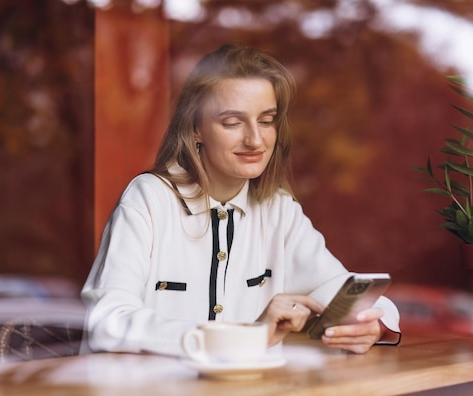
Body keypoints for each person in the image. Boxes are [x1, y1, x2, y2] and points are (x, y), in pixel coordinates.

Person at [81, 42, 401, 358]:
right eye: (233, 122)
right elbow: (107, 320)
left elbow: (344, 291)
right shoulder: (149, 199)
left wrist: (373, 324)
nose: (255, 139)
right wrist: (238, 337)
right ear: (195, 129)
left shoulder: (278, 209)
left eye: (266, 120)